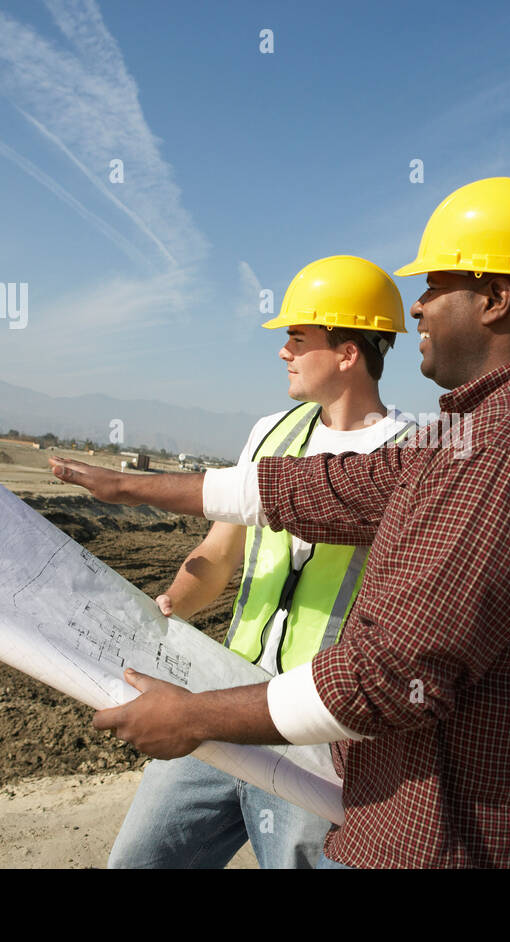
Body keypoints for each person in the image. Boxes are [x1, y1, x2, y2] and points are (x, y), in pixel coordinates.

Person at [50, 177, 510, 868]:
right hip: (353, 775)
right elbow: (329, 489)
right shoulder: (474, 433)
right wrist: (131, 486)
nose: (418, 307)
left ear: (494, 299)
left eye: (434, 287)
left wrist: (194, 716)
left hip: (419, 836)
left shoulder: (499, 450)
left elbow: (391, 673)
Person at [105, 254, 412, 869]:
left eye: (298, 337)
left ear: (348, 351)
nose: (283, 351)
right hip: (221, 701)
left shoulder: (411, 457)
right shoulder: (271, 433)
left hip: (315, 734)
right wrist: (167, 607)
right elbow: (218, 555)